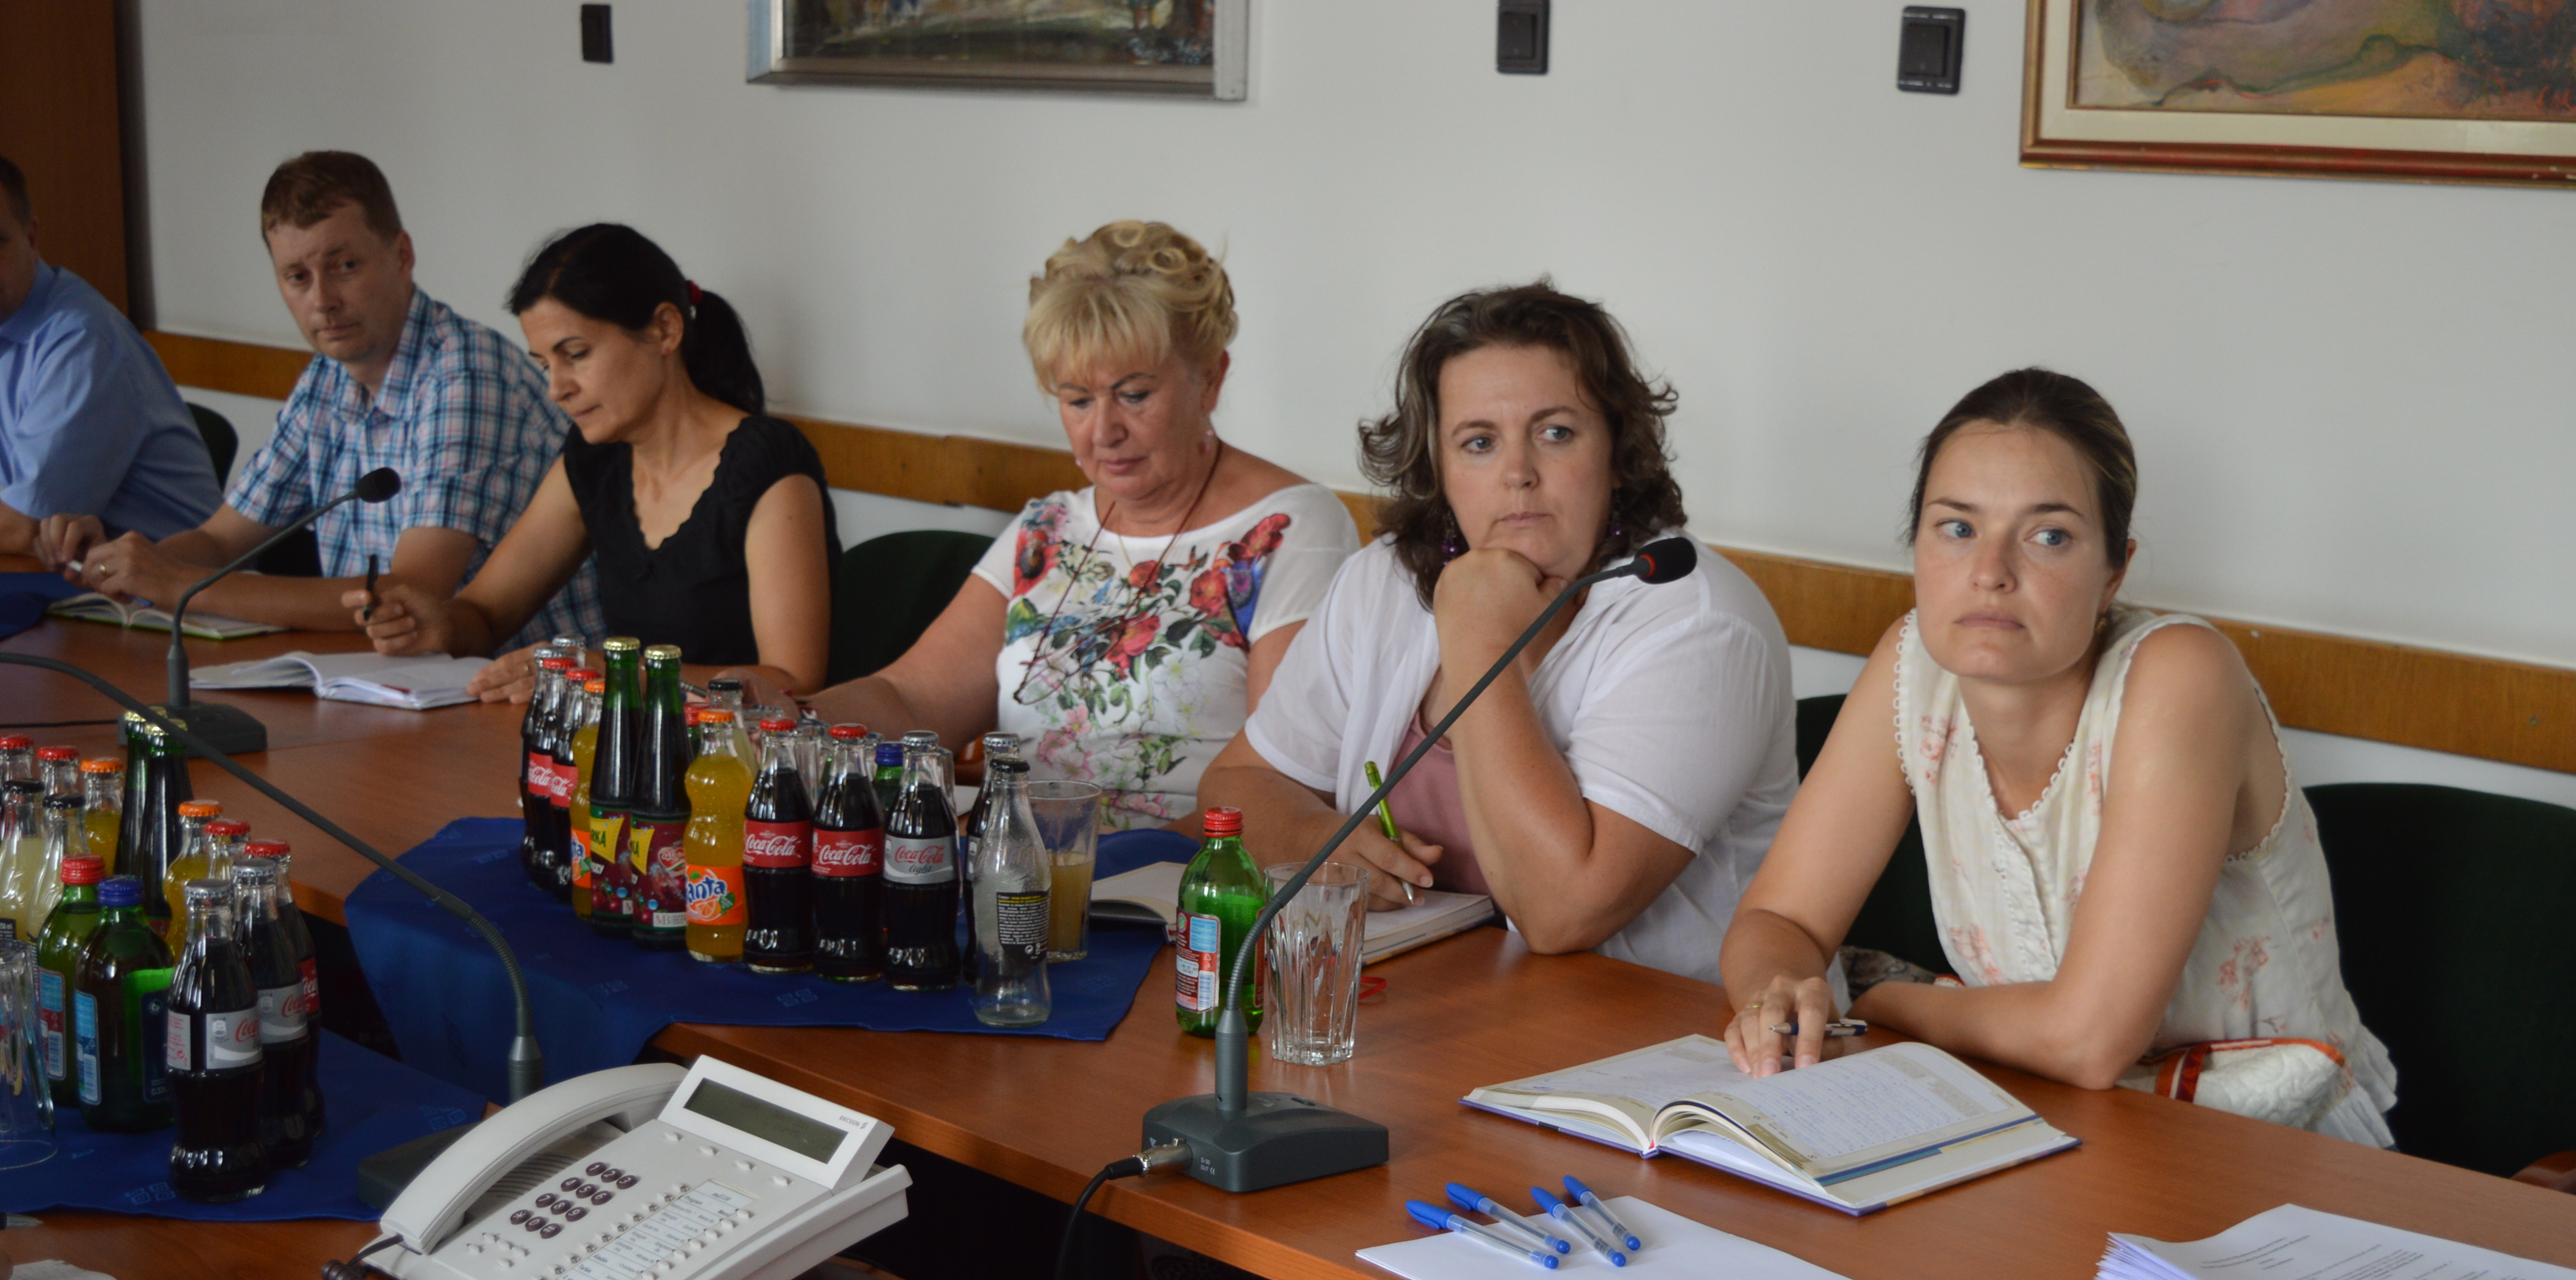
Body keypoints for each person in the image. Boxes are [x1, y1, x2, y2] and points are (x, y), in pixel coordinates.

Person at [1719, 368, 2396, 1144]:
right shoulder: (1912, 662)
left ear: (2114, 573)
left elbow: (2088, 1041)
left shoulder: (2181, 674)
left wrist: (1885, 1005)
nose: (1990, 573)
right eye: (1957, 528)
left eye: (2049, 537)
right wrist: (1780, 995)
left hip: (2264, 1142)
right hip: (2033, 1116)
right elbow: (1779, 918)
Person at [1201, 280, 1796, 982]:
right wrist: (1314, 837)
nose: (1518, 474)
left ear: (1616, 451)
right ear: (1440, 468)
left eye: (1556, 433)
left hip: (1659, 1031)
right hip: (1425, 1005)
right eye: (1479, 442)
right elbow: (1237, 783)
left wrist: (1478, 636)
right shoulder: (1385, 579)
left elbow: (1561, 913)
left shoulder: (1699, 622)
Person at [800, 220, 1357, 832]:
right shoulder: (1048, 529)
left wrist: (1105, 862)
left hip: (1184, 867)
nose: (1103, 432)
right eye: (1078, 400)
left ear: (1211, 379)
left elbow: (1279, 780)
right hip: (1024, 863)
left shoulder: (1289, 530)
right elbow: (910, 699)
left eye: (1134, 395)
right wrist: (791, 718)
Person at [38, 150, 598, 647]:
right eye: (297, 277)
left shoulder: (466, 376)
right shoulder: (325, 380)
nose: (323, 300)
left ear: (402, 255)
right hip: (387, 680)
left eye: (344, 266)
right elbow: (220, 540)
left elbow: (411, 592)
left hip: (525, 693)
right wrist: (120, 563)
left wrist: (180, 585)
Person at [353, 224, 836, 700]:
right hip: (636, 739)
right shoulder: (595, 459)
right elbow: (485, 614)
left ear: (665, 330)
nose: (556, 388)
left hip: (744, 747)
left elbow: (793, 680)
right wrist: (438, 624)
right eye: (546, 365)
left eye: (577, 355)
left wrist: (619, 674)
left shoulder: (766, 464)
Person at [0, 153, 220, 558]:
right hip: (72, 579)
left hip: (181, 586)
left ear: (31, 238)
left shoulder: (83, 340)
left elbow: (22, 525)